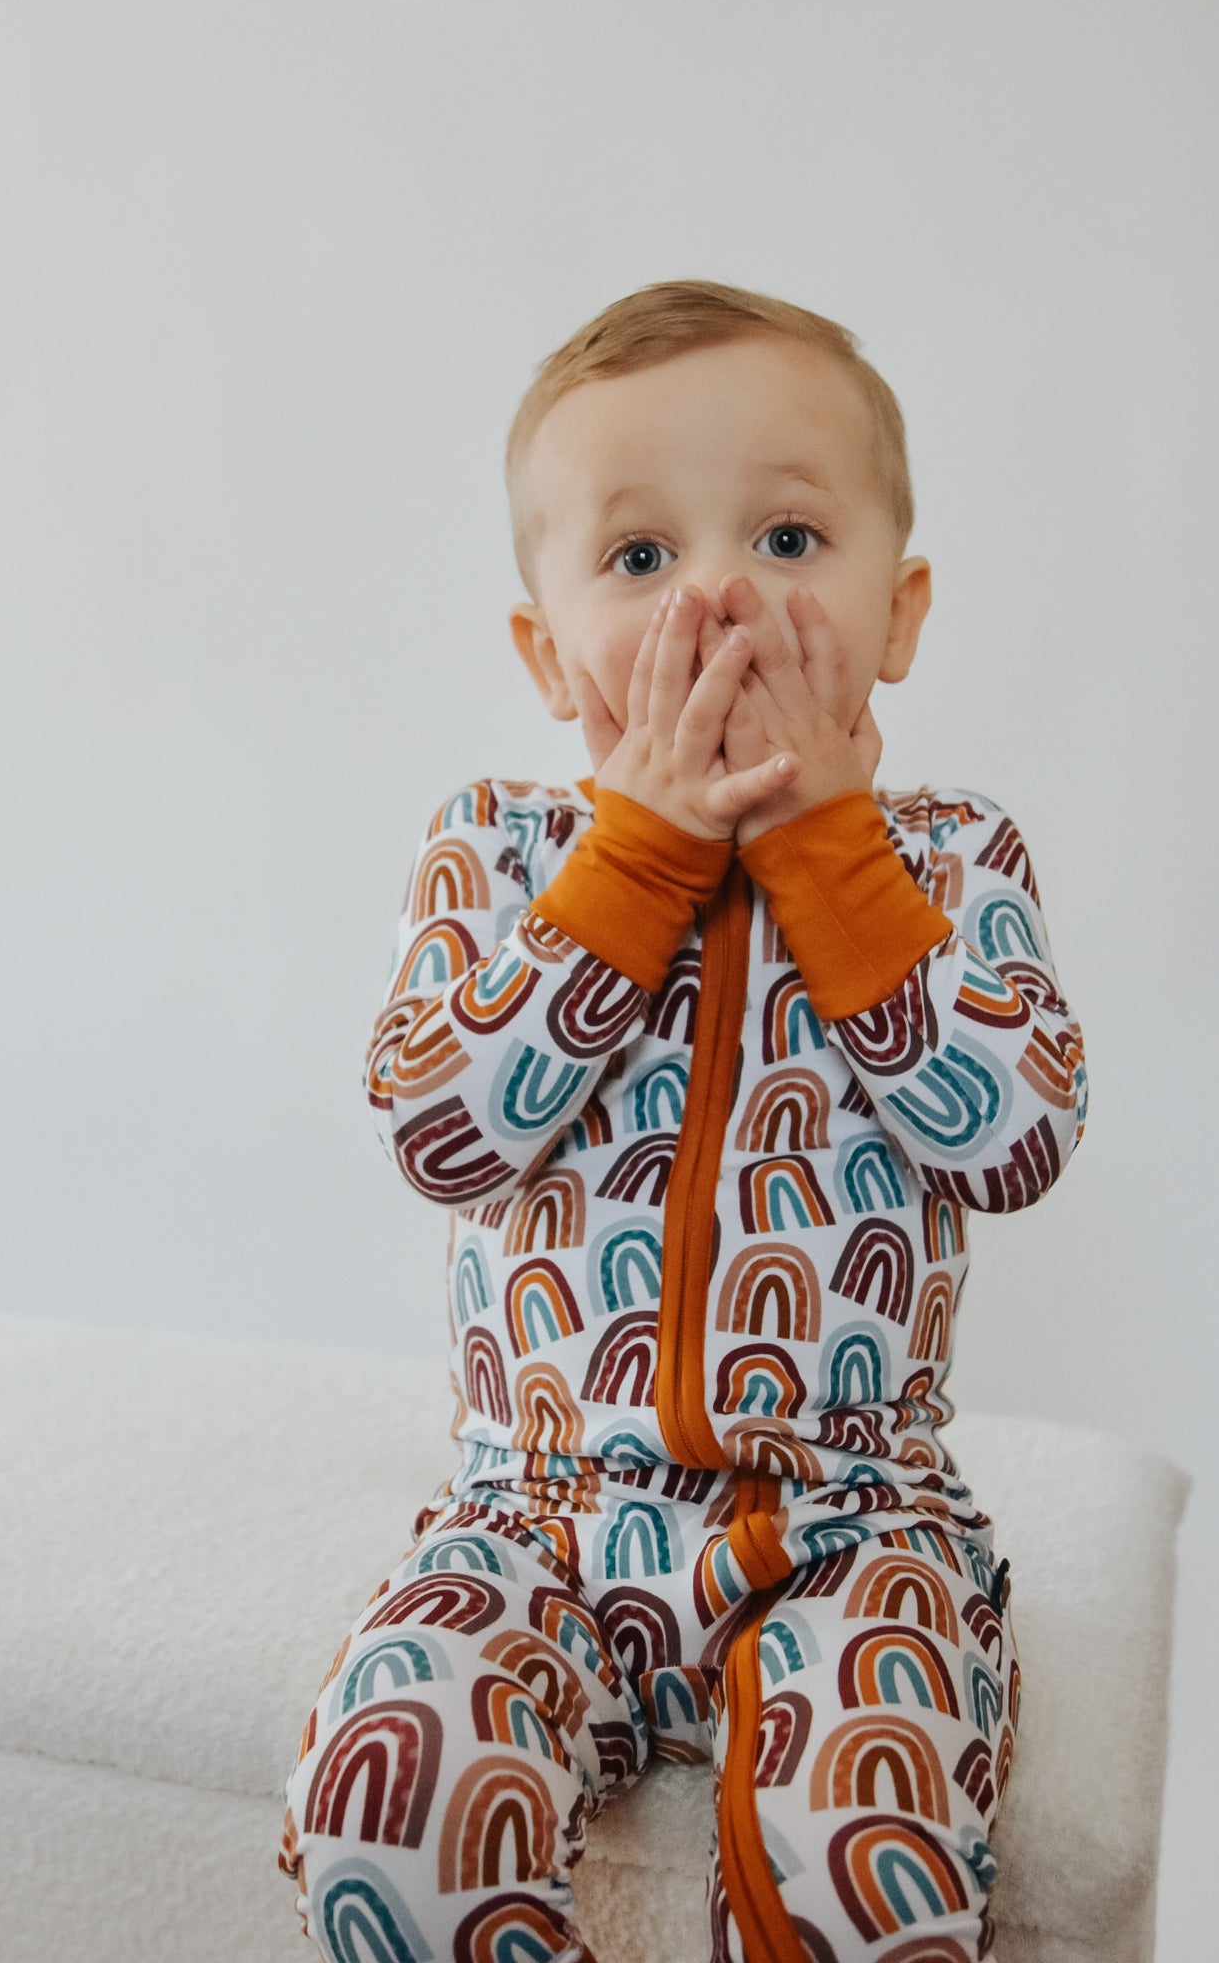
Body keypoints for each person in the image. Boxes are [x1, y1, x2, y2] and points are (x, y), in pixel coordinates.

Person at [276, 279, 1088, 1963]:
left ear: (895, 615)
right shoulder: (500, 850)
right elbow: (438, 1129)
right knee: (383, 1794)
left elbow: (1011, 1139)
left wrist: (830, 853)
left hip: (852, 1520)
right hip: (531, 1519)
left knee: (859, 1859)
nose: (717, 596)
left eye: (787, 538)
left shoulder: (949, 860)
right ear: (546, 650)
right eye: (640, 557)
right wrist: (633, 860)